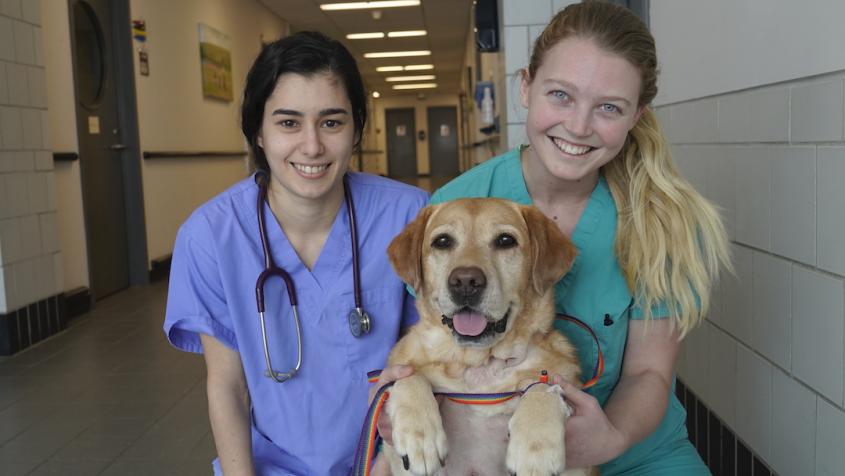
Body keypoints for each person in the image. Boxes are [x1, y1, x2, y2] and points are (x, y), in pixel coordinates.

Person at [429, 1, 730, 474]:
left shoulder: (663, 220)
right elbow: (431, 351)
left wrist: (609, 440)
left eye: (609, 107)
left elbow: (649, 373)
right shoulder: (452, 209)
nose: (578, 126)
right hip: (500, 454)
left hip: (637, 452)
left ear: (636, 116)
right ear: (526, 87)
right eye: (561, 95)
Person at [163, 31, 428, 475]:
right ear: (258, 133)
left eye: (332, 122)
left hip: (391, 460)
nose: (312, 147)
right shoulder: (210, 237)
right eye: (288, 123)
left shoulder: (409, 216)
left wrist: (389, 463)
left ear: (357, 128)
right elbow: (227, 386)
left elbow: (434, 358)